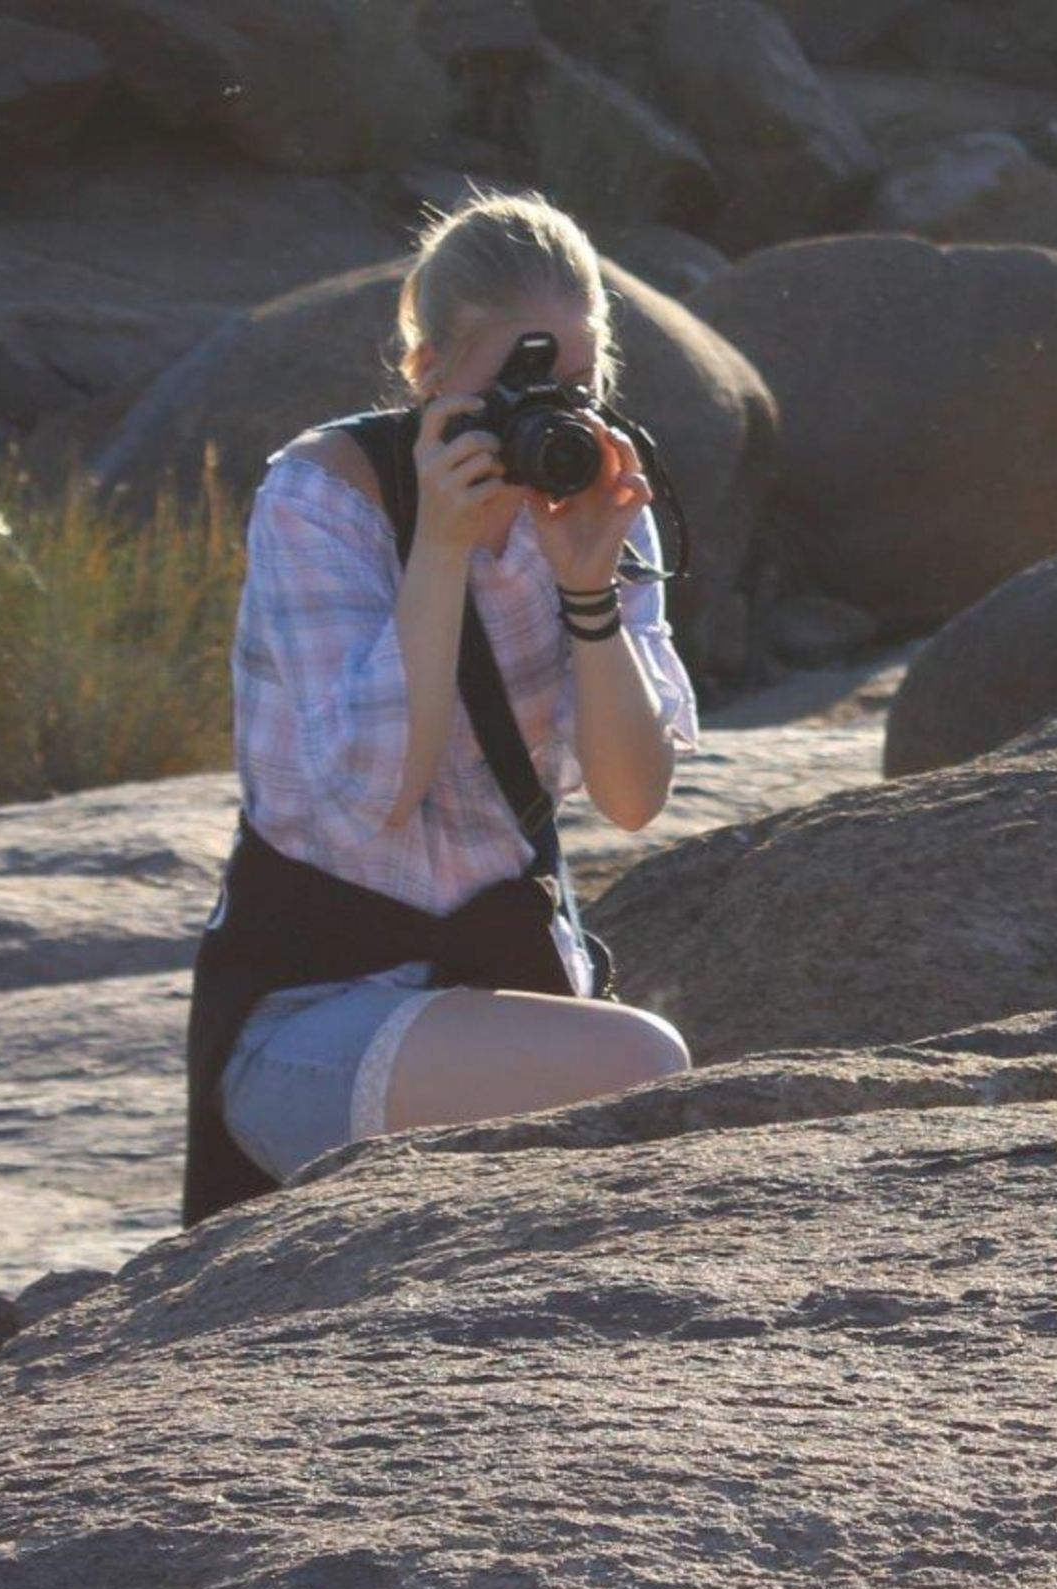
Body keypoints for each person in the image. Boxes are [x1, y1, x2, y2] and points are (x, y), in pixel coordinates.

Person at [181, 191, 696, 1224]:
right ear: (428, 373)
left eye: (574, 385)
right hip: (312, 1015)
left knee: (640, 1100)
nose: (547, 413)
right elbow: (375, 799)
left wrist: (589, 589)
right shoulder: (324, 496)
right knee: (643, 1064)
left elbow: (634, 797)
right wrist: (444, 550)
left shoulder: (590, 499)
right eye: (517, 383)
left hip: (500, 992)